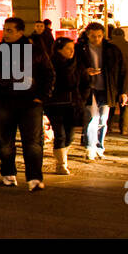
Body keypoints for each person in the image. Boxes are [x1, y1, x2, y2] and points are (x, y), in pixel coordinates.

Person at [0, 17, 54, 191]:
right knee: (4, 142)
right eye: (5, 29)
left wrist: (42, 96)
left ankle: (34, 177)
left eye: (10, 30)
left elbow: (48, 74)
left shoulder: (34, 51)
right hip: (4, 101)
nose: (5, 33)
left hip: (30, 102)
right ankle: (8, 172)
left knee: (33, 142)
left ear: (20, 32)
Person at [76, 22, 128, 160]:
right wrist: (85, 71)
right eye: (93, 36)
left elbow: (122, 70)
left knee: (103, 120)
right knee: (92, 118)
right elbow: (75, 66)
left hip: (107, 88)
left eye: (99, 36)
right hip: (89, 88)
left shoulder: (112, 49)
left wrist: (123, 92)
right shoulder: (80, 49)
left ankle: (99, 146)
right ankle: (90, 147)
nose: (96, 39)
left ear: (103, 35)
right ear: (88, 35)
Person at [45, 37, 83, 175]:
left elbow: (84, 82)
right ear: (59, 49)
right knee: (60, 134)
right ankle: (61, 164)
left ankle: (62, 157)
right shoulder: (51, 63)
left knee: (70, 135)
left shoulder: (76, 63)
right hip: (55, 104)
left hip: (72, 104)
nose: (72, 51)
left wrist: (82, 97)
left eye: (73, 48)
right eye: (68, 48)